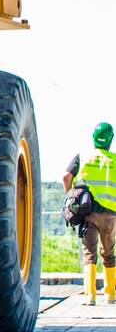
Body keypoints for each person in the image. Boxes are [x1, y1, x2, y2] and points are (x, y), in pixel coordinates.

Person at [64, 122, 116, 306]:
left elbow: (66, 177)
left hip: (89, 212)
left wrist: (70, 196)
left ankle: (90, 296)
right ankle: (110, 295)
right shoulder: (114, 160)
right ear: (111, 140)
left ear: (93, 138)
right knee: (109, 254)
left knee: (89, 253)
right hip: (111, 215)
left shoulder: (83, 157)